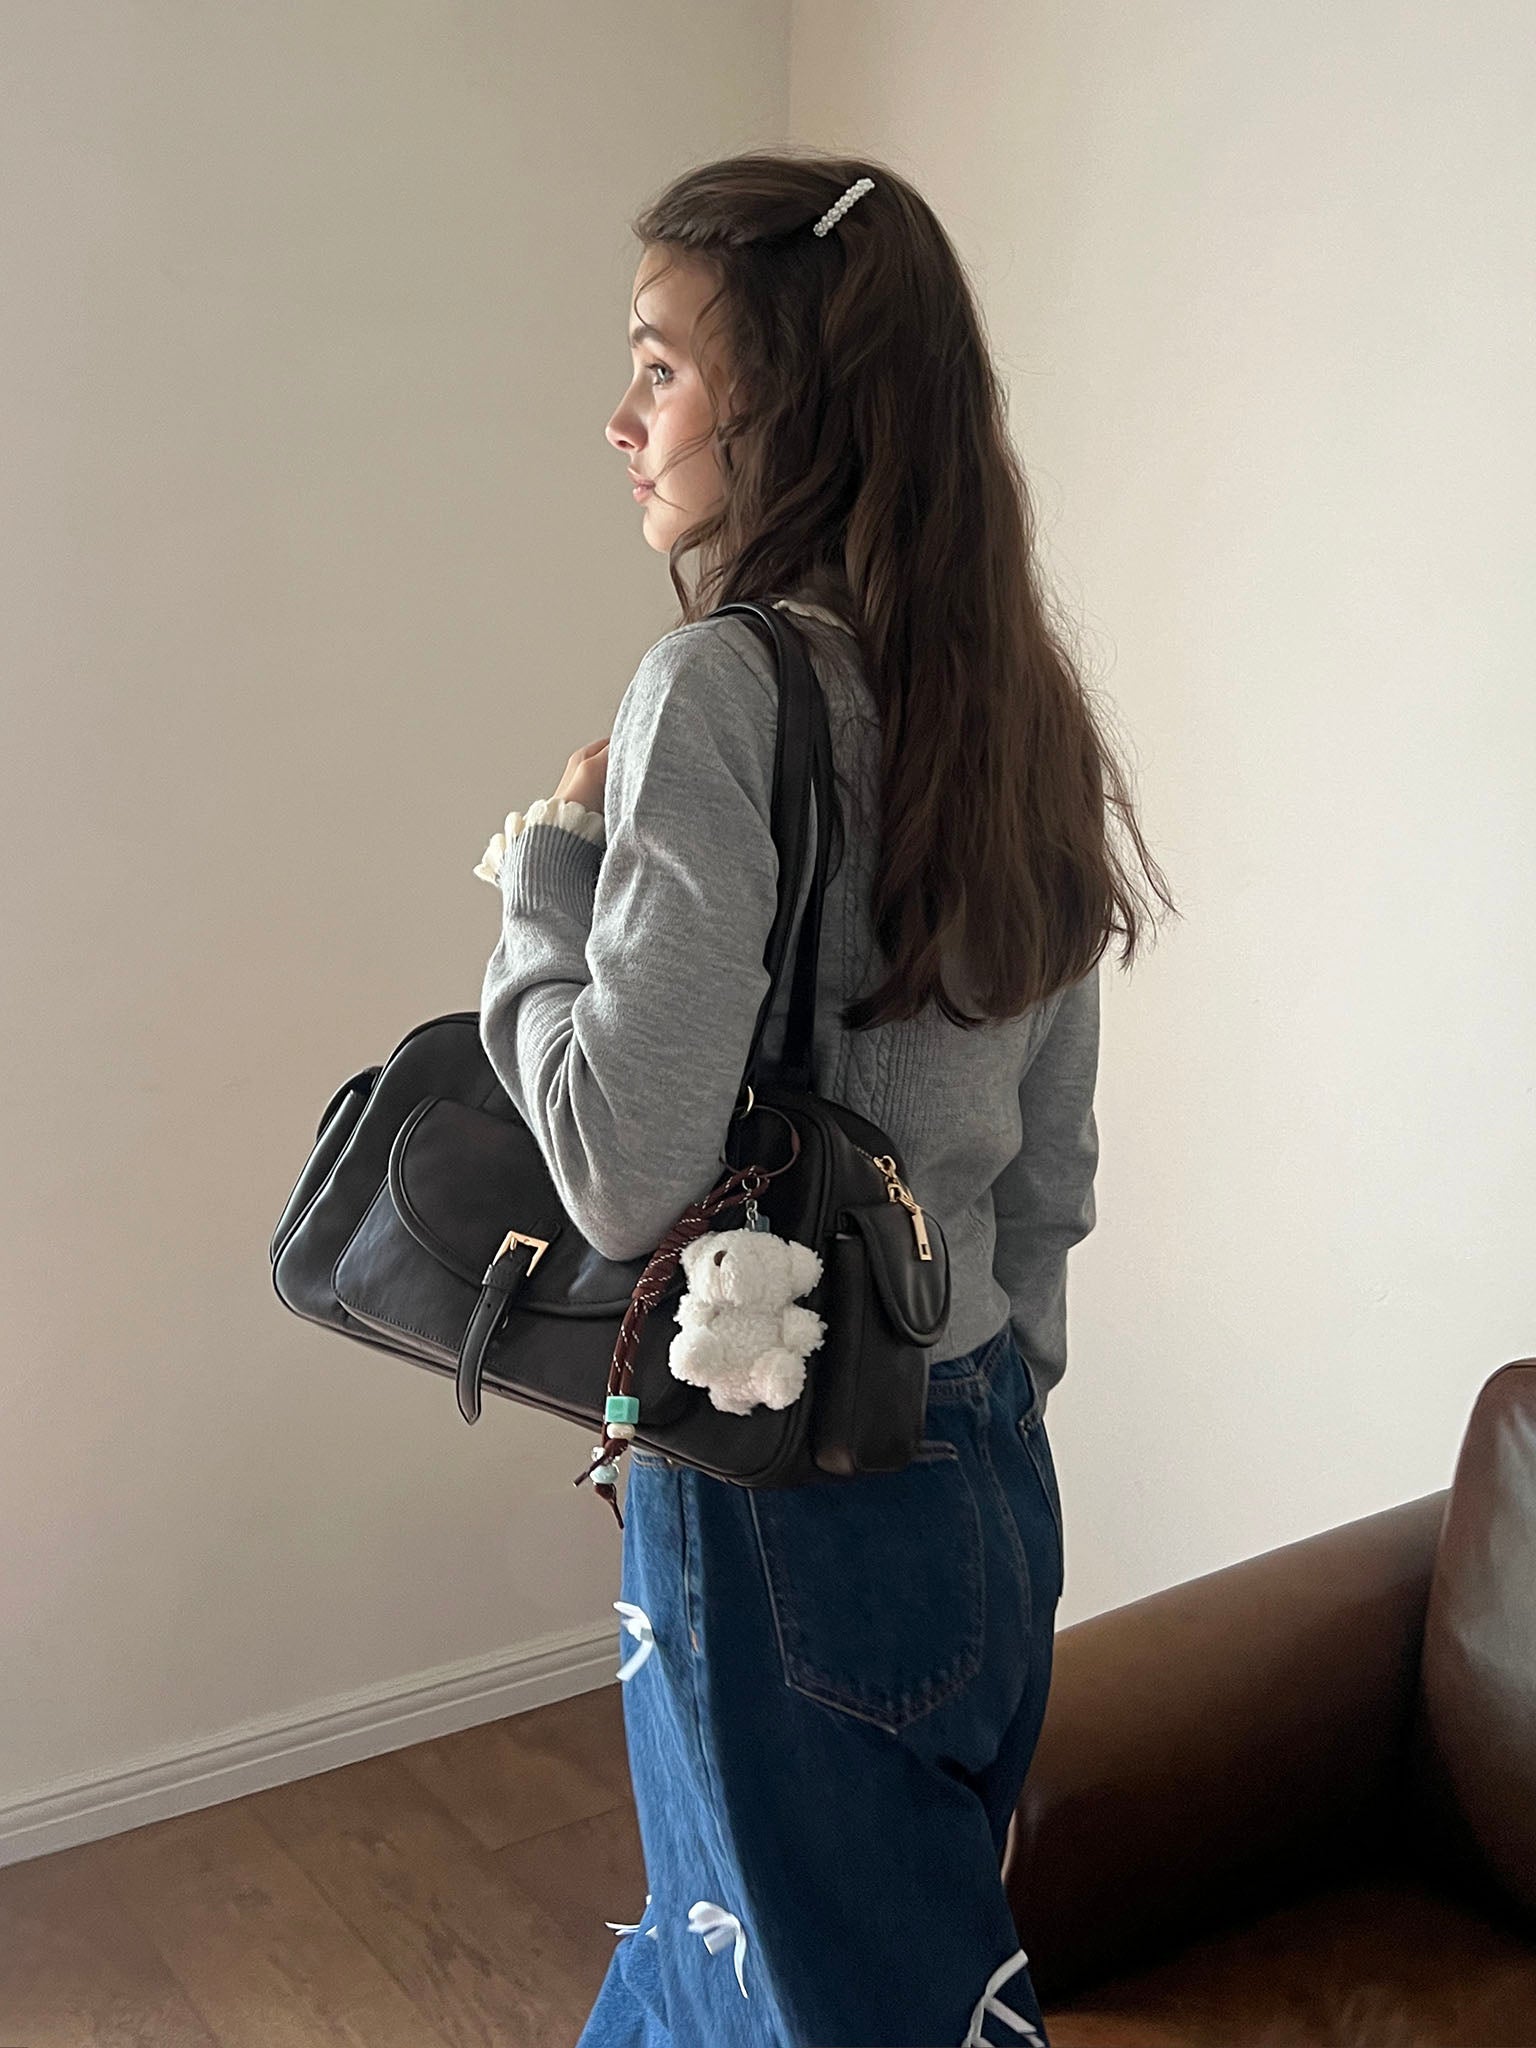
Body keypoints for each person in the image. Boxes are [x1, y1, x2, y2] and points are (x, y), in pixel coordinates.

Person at [475, 150, 1176, 2048]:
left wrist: (550, 870)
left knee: (802, 1989)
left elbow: (618, 1167)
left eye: (661, 368)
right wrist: (987, 1395)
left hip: (785, 1481)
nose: (621, 419)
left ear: (787, 401)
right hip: (984, 1462)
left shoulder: (718, 688)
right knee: (776, 1969)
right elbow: (1049, 1164)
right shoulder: (1015, 699)